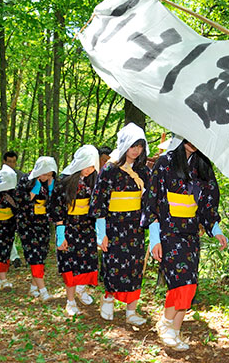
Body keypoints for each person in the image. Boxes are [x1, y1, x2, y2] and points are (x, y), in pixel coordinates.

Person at [142, 138, 227, 350]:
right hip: (168, 232)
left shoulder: (203, 166)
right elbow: (153, 201)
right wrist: (155, 239)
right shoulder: (165, 162)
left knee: (189, 283)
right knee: (179, 282)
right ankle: (166, 325)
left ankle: (174, 330)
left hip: (190, 234)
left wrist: (216, 230)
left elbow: (208, 202)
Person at [90, 123, 151, 325]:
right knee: (114, 265)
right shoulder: (110, 169)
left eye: (140, 146)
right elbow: (99, 202)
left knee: (134, 267)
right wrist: (101, 233)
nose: (136, 150)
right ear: (125, 145)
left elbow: (150, 198)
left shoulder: (143, 171)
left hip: (135, 227)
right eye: (133, 145)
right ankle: (108, 298)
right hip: (114, 226)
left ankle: (131, 311)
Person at [48, 145, 100, 316]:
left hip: (87, 227)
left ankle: (81, 288)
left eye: (93, 166)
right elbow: (56, 208)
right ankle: (70, 301)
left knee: (88, 261)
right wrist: (61, 233)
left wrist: (100, 230)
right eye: (88, 166)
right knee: (70, 264)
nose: (90, 170)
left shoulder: (94, 179)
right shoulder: (64, 181)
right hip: (69, 226)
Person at [16, 156, 57, 300]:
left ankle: (33, 288)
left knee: (41, 255)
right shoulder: (25, 180)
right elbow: (22, 201)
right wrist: (35, 187)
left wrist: (51, 186)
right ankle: (43, 291)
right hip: (27, 223)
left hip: (42, 223)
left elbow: (53, 203)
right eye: (44, 174)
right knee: (34, 256)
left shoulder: (49, 183)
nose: (46, 177)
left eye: (49, 175)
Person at [0, 151, 23, 268]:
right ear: (4, 161)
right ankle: (8, 259)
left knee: (10, 237)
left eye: (14, 162)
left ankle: (12, 258)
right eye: (9, 161)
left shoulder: (20, 176)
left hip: (13, 213)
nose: (12, 164)